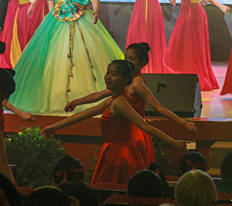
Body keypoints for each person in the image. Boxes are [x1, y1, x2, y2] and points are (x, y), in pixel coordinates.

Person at [9, 0, 124, 114]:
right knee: (56, 57)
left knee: (79, 57)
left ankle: (80, 95)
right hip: (57, 21)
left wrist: (96, 11)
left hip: (80, 21)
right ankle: (56, 96)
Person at [43, 60, 188, 185]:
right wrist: (54, 127)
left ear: (125, 80)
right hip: (113, 152)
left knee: (113, 190)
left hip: (119, 156)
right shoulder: (112, 100)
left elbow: (145, 126)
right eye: (108, 73)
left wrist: (172, 142)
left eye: (114, 74)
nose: (108, 77)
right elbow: (84, 114)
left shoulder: (120, 103)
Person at [64, 42, 196, 165]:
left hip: (135, 132)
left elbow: (158, 108)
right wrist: (76, 102)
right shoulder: (123, 81)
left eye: (131, 59)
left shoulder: (137, 84)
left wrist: (183, 124)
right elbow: (100, 94)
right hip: (122, 130)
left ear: (142, 62)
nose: (127, 61)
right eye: (126, 57)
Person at [144, 0, 228, 91]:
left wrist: (220, 6)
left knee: (189, 47)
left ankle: (190, 75)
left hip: (193, 15)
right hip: (186, 14)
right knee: (181, 46)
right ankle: (181, 75)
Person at [0, 0, 39, 67]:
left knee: (14, 38)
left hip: (19, 12)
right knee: (19, 37)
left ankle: (14, 64)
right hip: (19, 10)